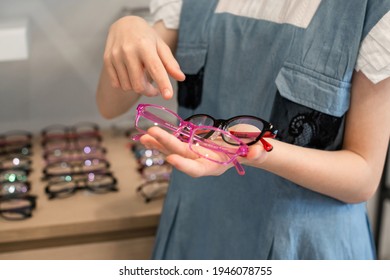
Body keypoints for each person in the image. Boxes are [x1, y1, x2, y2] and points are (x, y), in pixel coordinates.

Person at [96, 0, 390, 259]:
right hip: (196, 234)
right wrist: (128, 29)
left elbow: (362, 176)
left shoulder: (372, 9)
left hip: (302, 248)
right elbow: (110, 104)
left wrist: (258, 152)